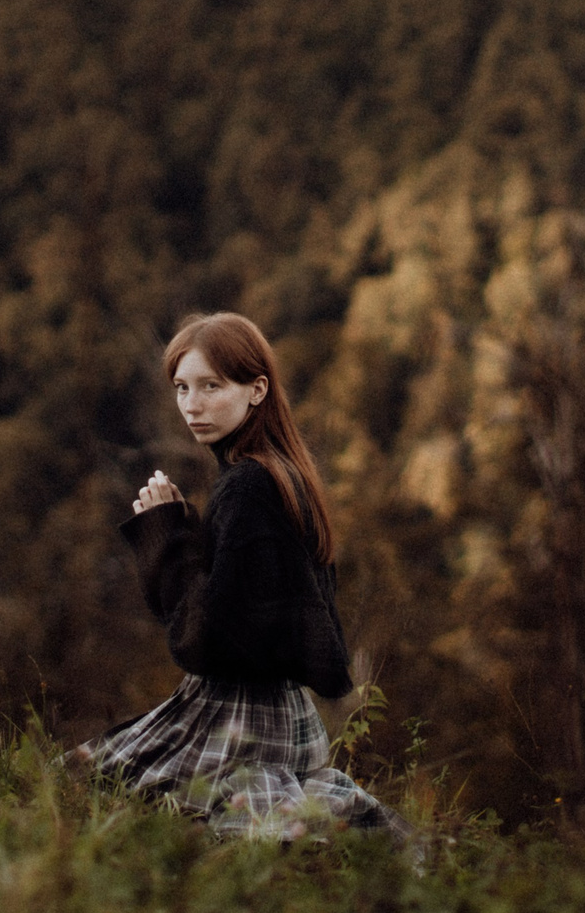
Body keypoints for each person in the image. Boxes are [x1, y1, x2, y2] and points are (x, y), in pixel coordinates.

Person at [79, 312, 407, 842]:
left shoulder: (248, 487)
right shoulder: (283, 470)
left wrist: (169, 538)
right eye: (182, 387)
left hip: (241, 721)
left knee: (83, 782)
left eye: (211, 386)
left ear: (257, 390)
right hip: (292, 718)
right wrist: (185, 531)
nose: (192, 404)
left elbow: (208, 643)